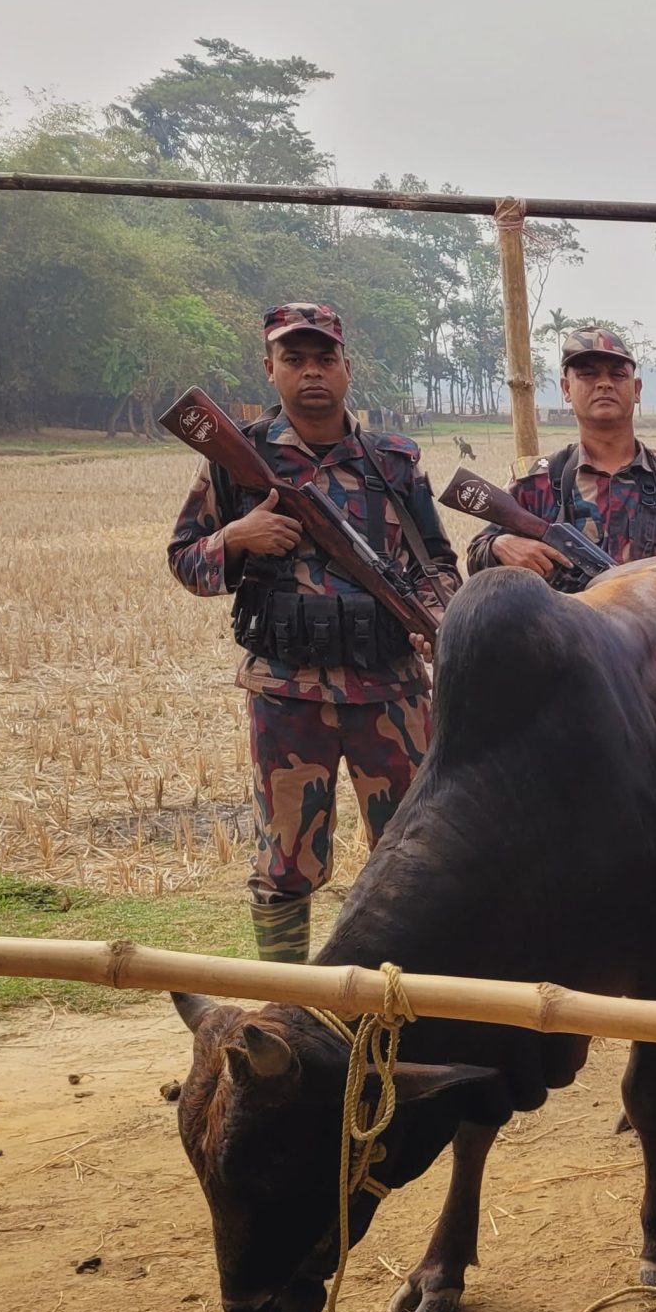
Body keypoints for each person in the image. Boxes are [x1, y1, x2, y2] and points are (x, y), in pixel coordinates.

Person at [166, 302, 458, 963]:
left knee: (416, 854)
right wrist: (236, 540)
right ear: (270, 369)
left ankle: (413, 1001)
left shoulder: (393, 460)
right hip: (286, 693)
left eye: (324, 358)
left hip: (391, 688)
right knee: (286, 863)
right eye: (294, 359)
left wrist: (434, 619)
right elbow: (184, 559)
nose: (311, 372)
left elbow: (436, 562)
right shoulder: (235, 463)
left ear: (347, 368)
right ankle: (286, 1017)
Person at [467, 328, 656, 585]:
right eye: (588, 374)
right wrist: (501, 545)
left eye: (617, 374)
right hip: (566, 626)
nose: (604, 383)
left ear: (636, 390)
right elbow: (477, 556)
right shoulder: (536, 484)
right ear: (566, 389)